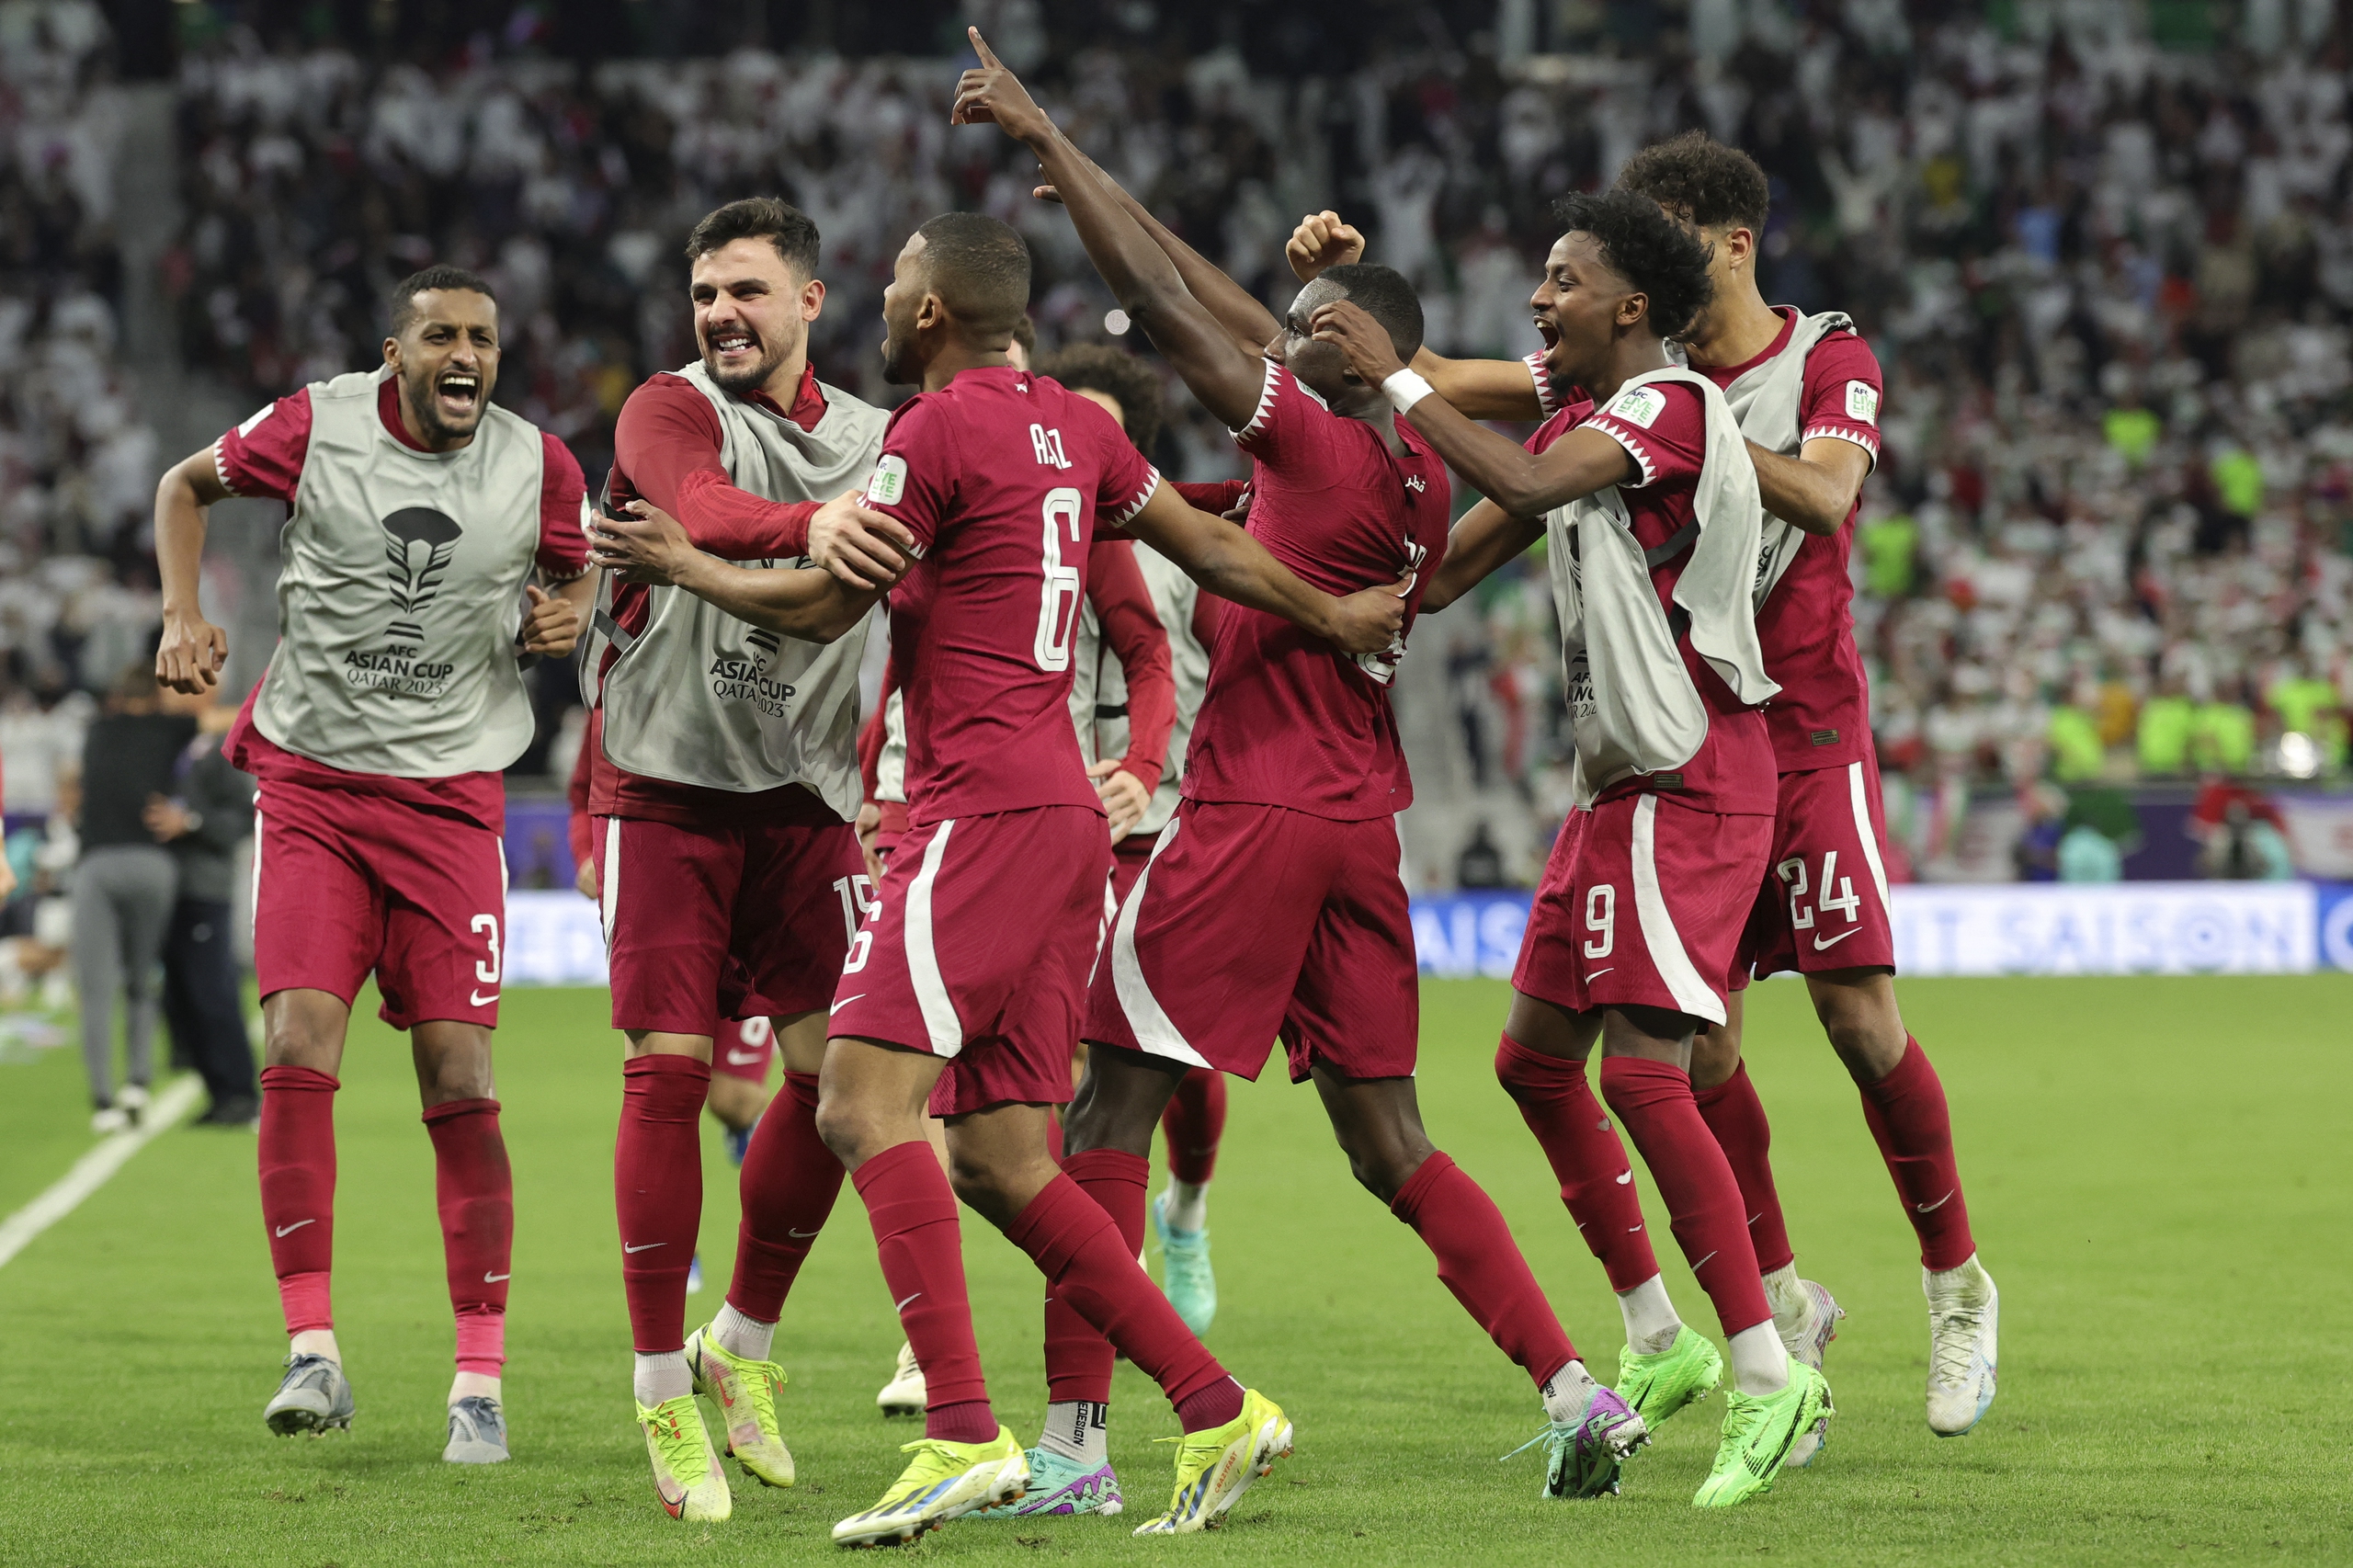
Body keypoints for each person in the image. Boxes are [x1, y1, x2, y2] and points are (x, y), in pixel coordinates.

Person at [591, 189, 1402, 1543]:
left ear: (926, 312)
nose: (889, 291)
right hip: (1068, 827)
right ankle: (1218, 1406)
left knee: (857, 1105)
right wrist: (1335, 611)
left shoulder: (933, 428)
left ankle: (964, 1428)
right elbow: (1202, 545)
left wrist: (684, 563)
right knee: (1007, 1160)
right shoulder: (1083, 429)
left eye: (900, 278)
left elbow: (827, 600)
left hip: (973, 812)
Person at [953, 45, 1649, 1517]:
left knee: (1099, 1121)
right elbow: (1211, 298)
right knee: (1390, 1140)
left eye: (1311, 331)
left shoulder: (1317, 444)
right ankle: (1576, 1390)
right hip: (1357, 830)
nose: (1284, 341)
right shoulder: (1404, 470)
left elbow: (1160, 306)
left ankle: (1077, 1448)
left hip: (1251, 812)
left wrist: (1051, 139)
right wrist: (1089, 165)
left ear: (1351, 349)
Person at [1292, 129, 1999, 1453]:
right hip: (1675, 737)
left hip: (1803, 728)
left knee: (1856, 1019)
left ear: (1719, 247)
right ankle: (1780, 1299)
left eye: (1647, 236)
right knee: (1696, 1046)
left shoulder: (1816, 358)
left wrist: (1684, 436)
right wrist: (1360, 287)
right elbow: (1442, 379)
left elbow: (1833, 501)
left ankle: (1957, 1281)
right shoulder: (1623, 383)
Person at [1310, 187, 1833, 1505]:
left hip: (1695, 775)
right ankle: (1658, 1338)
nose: (1540, 299)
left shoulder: (1670, 405)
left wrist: (1411, 393)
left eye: (1562, 279)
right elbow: (1445, 569)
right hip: (1620, 787)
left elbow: (1529, 479)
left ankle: (1773, 1377)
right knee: (1534, 1062)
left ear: (1633, 306)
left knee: (1649, 1077)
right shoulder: (1585, 425)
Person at [153, 264, 594, 1464]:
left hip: (453, 804)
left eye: (485, 338)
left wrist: (570, 609)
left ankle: (479, 1378)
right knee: (297, 1037)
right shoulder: (316, 423)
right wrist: (181, 610)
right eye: (442, 334)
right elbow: (183, 486)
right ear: (394, 351)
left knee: (458, 1065)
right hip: (314, 788)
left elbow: (573, 571)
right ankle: (313, 1349)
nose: (467, 355)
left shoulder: (541, 463)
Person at [580, 196, 917, 1522]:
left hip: (806, 794)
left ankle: (743, 1343)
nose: (721, 314)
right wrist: (816, 530)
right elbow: (702, 506)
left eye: (748, 292)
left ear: (811, 303)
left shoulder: (880, 441)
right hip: (664, 786)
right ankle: (662, 1384)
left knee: (839, 1087)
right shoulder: (666, 409)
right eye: (707, 291)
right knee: (665, 1075)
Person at [1034, 342, 1244, 1339]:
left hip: (1171, 831)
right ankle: (1090, 1282)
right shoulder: (1020, 536)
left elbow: (1219, 679)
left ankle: (1187, 1213)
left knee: (1186, 1074)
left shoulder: (1185, 551)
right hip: (1051, 830)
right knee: (1040, 1062)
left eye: (1099, 431)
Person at [72, 663, 191, 1134]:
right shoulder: (171, 727)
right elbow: (219, 719)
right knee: (143, 980)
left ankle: (103, 1100)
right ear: (159, 698)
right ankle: (138, 1083)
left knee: (97, 988)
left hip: (96, 865)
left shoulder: (98, 731)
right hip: (151, 864)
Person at [147, 681, 259, 1126]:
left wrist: (190, 821)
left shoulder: (218, 751)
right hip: (171, 887)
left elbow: (244, 815)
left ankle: (239, 1093)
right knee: (183, 995)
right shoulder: (171, 745)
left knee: (212, 992)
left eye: (173, 688)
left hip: (205, 887)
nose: (164, 696)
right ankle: (218, 1091)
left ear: (203, 694)